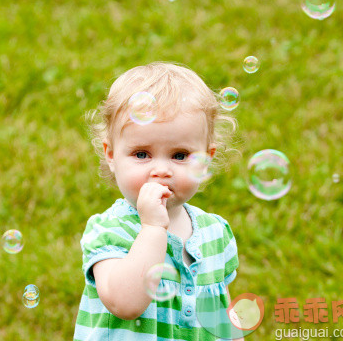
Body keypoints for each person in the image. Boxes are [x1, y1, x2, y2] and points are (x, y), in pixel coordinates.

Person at [73, 62, 239, 340]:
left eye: (180, 155)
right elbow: (124, 304)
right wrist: (152, 228)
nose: (161, 170)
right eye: (141, 154)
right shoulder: (110, 230)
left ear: (206, 159)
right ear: (111, 155)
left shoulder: (215, 233)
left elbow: (223, 314)